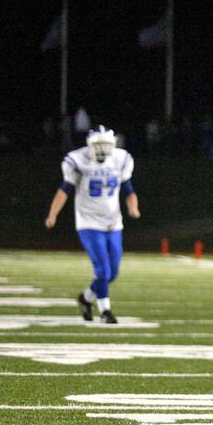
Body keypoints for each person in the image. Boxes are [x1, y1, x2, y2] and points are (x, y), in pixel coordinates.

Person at [44, 126, 139, 324]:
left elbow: (128, 188)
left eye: (106, 144)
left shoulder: (121, 158)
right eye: (99, 145)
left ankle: (86, 298)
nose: (102, 149)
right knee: (102, 270)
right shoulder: (78, 160)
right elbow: (65, 189)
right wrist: (53, 214)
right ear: (90, 145)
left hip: (113, 222)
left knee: (112, 273)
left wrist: (133, 207)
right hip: (88, 221)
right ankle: (105, 311)